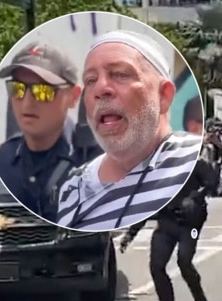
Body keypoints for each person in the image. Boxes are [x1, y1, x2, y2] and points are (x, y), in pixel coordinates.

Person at [56, 30, 203, 231]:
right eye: (91, 80)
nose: (100, 89)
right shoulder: (73, 187)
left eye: (120, 74)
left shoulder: (193, 158)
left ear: (164, 96)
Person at [0, 42, 100, 223]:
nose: (26, 103)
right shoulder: (5, 158)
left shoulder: (94, 160)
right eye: (17, 89)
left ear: (73, 97)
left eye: (43, 92)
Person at [119, 157, 217, 301]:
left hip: (191, 225)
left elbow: (212, 182)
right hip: (166, 224)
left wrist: (196, 197)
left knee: (184, 262)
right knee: (157, 266)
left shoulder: (194, 163)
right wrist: (131, 234)